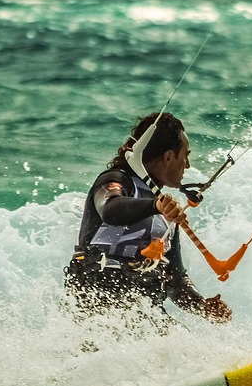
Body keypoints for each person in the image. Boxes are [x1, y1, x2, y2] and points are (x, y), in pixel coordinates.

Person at [65, 112, 232, 324]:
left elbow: (175, 280)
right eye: (185, 155)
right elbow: (110, 209)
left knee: (177, 344)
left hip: (141, 309)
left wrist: (203, 306)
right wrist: (156, 205)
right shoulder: (117, 181)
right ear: (169, 157)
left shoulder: (167, 211)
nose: (187, 165)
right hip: (97, 301)